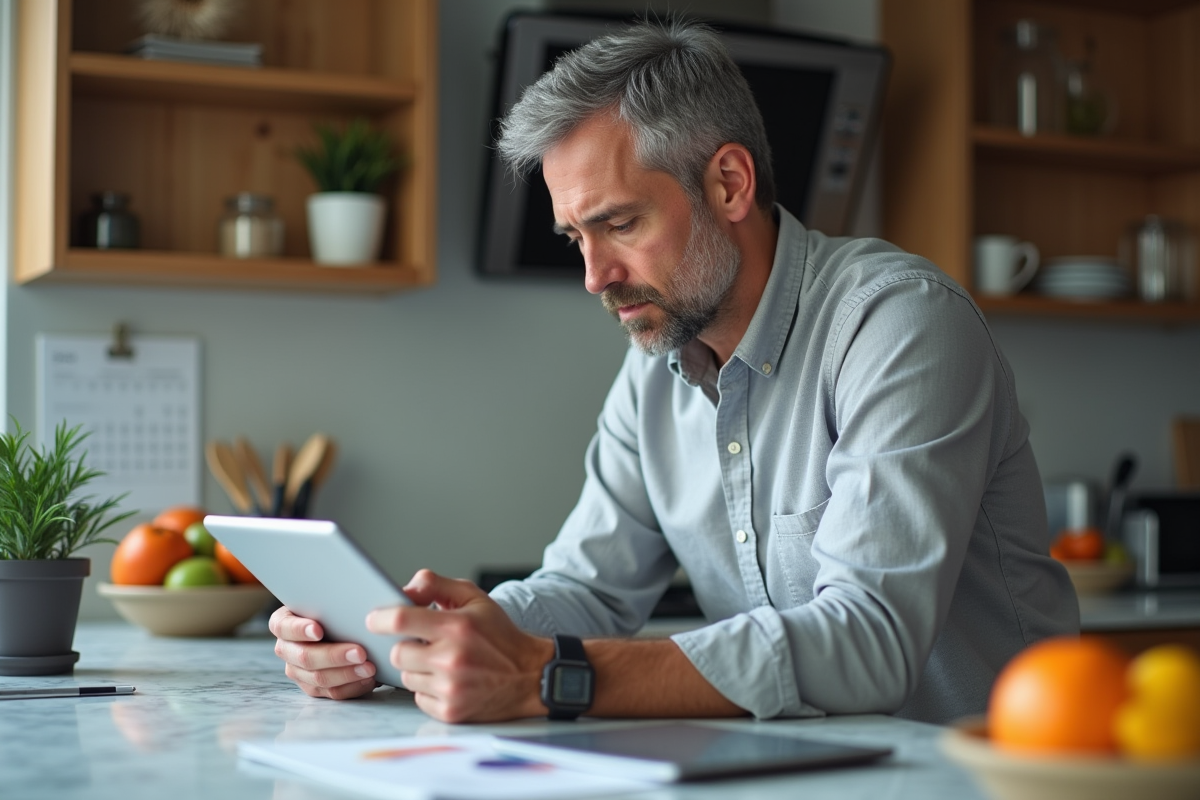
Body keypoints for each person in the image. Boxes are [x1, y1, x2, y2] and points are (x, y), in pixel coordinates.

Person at [270, 19, 1079, 725]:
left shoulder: (900, 324)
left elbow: (872, 640)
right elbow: (589, 590)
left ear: (730, 183)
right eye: (574, 238)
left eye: (619, 223)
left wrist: (550, 675)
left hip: (977, 777)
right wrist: (406, 637)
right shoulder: (654, 359)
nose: (594, 276)